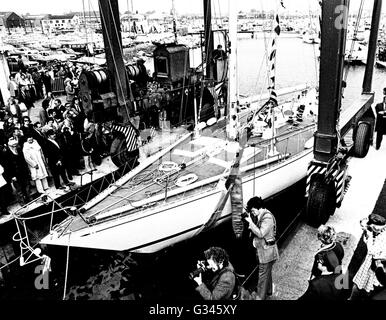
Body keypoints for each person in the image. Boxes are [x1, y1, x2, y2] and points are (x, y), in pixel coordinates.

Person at [244, 196, 279, 300]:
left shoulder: (267, 218)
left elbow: (260, 233)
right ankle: (268, 291)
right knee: (267, 273)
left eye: (252, 211)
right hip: (267, 251)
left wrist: (250, 222)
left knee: (262, 277)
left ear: (256, 208)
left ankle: (260, 297)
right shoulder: (263, 215)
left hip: (266, 253)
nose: (253, 213)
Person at [298, 225, 346, 300]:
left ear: (321, 238)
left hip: (322, 280)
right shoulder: (338, 246)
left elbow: (316, 269)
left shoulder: (320, 255)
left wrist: (312, 278)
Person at [349, 213, 386, 300]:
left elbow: (372, 250)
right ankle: (352, 297)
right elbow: (366, 240)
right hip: (370, 262)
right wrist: (366, 232)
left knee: (367, 285)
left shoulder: (383, 236)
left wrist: (369, 235)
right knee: (359, 282)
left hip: (377, 265)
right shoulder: (376, 229)